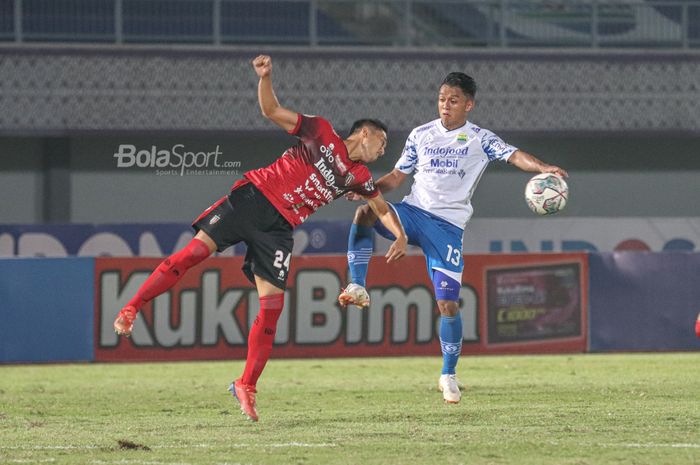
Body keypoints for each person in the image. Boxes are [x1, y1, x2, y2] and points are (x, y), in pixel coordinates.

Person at [113, 55, 408, 422]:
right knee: (191, 255)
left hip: (279, 230)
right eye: (381, 143)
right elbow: (271, 110)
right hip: (253, 199)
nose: (383, 150)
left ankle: (246, 385)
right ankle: (132, 307)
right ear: (365, 133)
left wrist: (399, 235)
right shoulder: (321, 131)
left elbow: (380, 207)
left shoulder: (359, 176)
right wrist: (265, 77)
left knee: (272, 308)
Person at [338, 71, 568, 404]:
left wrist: (542, 167)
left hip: (447, 228)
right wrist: (366, 190)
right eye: (442, 98)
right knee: (366, 212)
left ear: (469, 105)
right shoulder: (421, 135)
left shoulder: (479, 138)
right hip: (413, 213)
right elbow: (397, 177)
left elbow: (514, 155)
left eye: (454, 100)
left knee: (447, 304)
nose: (446, 105)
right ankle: (357, 284)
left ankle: (448, 375)